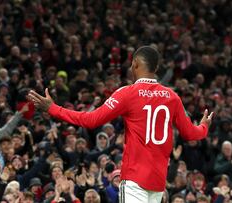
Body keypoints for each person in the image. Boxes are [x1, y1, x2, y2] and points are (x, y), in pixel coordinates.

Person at [28, 46, 214, 203]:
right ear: (156, 68)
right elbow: (191, 134)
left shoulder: (128, 93)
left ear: (135, 64)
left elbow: (90, 120)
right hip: (157, 182)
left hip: (135, 179)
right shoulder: (172, 97)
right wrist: (204, 126)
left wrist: (53, 108)